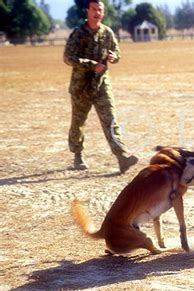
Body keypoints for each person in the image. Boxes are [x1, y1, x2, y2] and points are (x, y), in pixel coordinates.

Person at [64, 0, 138, 173]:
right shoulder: (78, 33)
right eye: (94, 9)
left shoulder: (107, 33)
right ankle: (77, 155)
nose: (97, 12)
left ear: (103, 13)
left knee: (110, 119)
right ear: (88, 11)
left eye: (100, 10)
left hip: (101, 84)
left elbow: (117, 53)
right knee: (78, 122)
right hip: (81, 86)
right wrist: (91, 64)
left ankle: (122, 157)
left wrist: (114, 57)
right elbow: (68, 57)